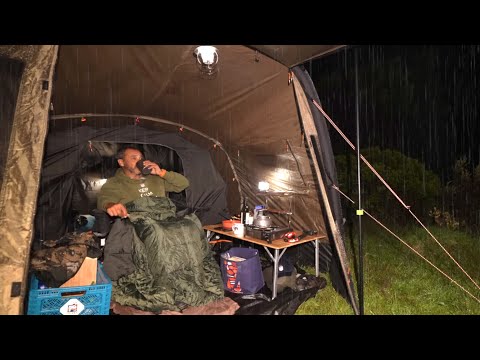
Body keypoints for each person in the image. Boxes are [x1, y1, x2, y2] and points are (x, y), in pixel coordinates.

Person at [97, 145, 189, 218]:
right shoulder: (114, 183)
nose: (139, 161)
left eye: (141, 158)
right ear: (121, 162)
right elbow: (105, 200)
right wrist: (112, 205)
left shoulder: (155, 178)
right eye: (134, 158)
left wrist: (161, 172)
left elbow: (183, 184)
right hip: (139, 229)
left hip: (164, 224)